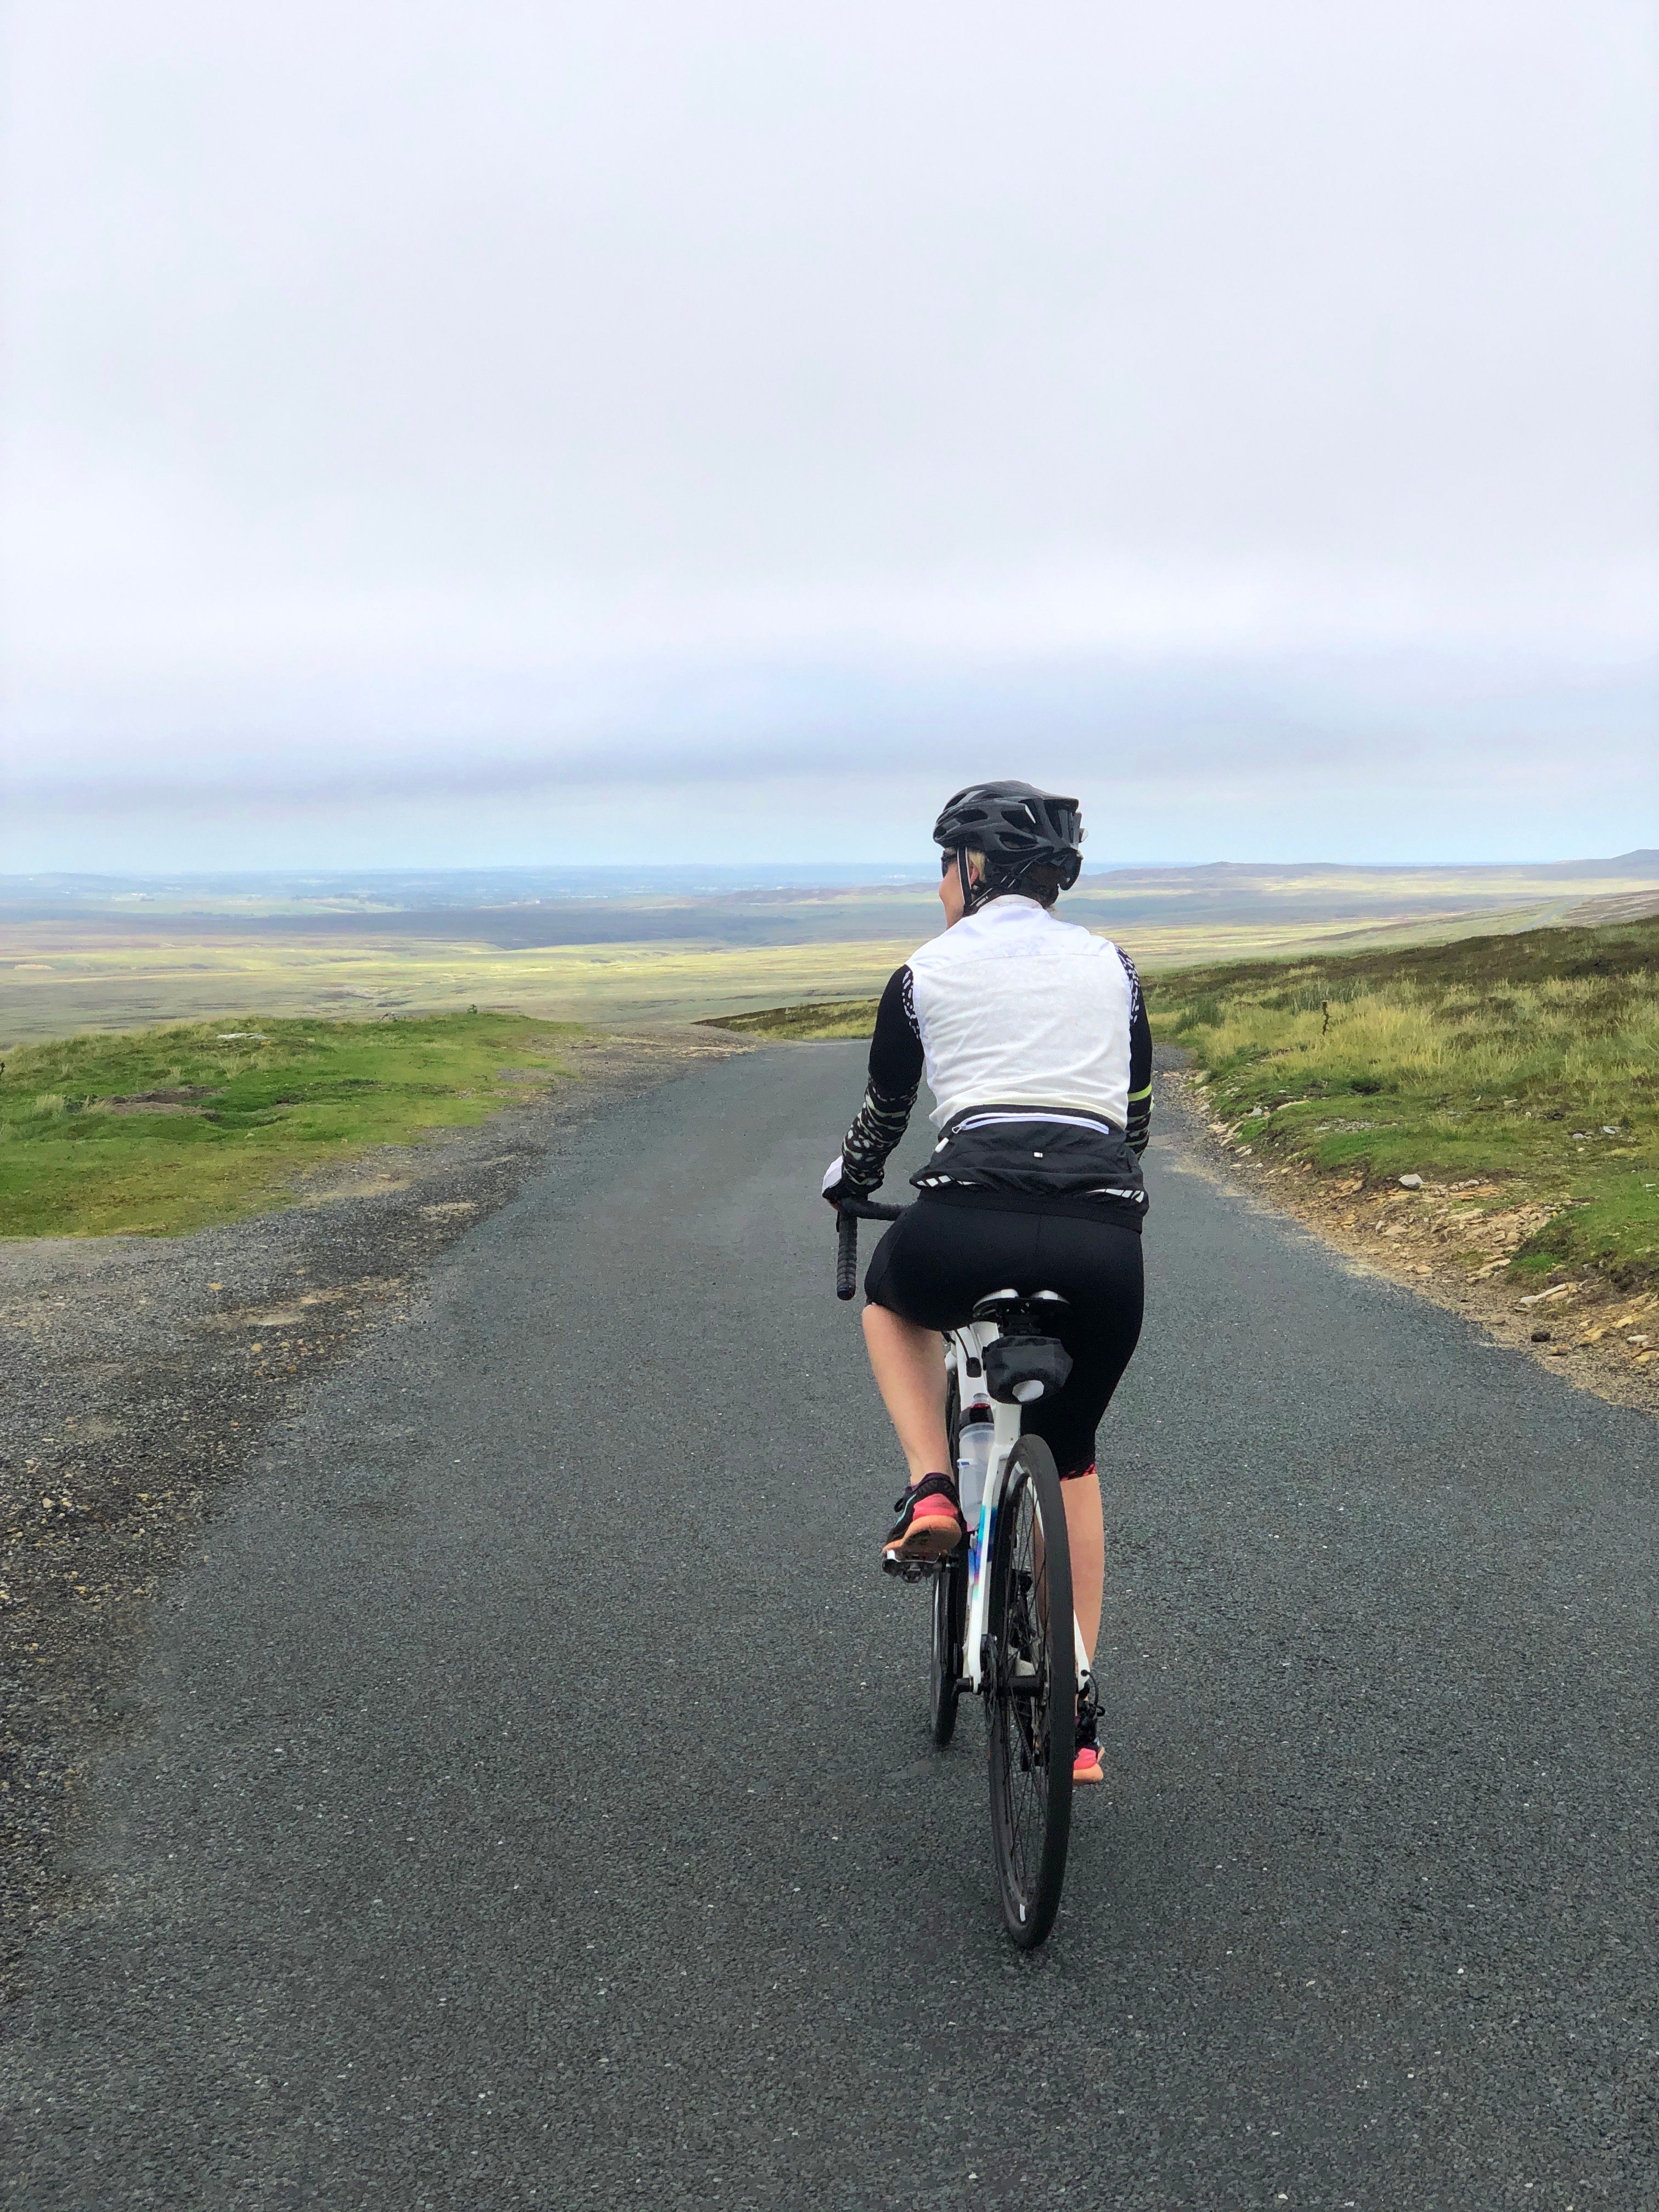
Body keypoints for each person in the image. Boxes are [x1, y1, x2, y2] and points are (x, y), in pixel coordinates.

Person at [821, 780, 1150, 1784]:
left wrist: (852, 1180)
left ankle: (932, 1490)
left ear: (972, 871)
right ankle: (1079, 1705)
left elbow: (884, 1115)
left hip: (965, 1219)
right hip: (1102, 1234)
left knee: (889, 1301)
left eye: (944, 869)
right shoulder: (1114, 965)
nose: (937, 889)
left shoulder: (924, 971)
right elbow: (1133, 1116)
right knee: (1076, 1455)